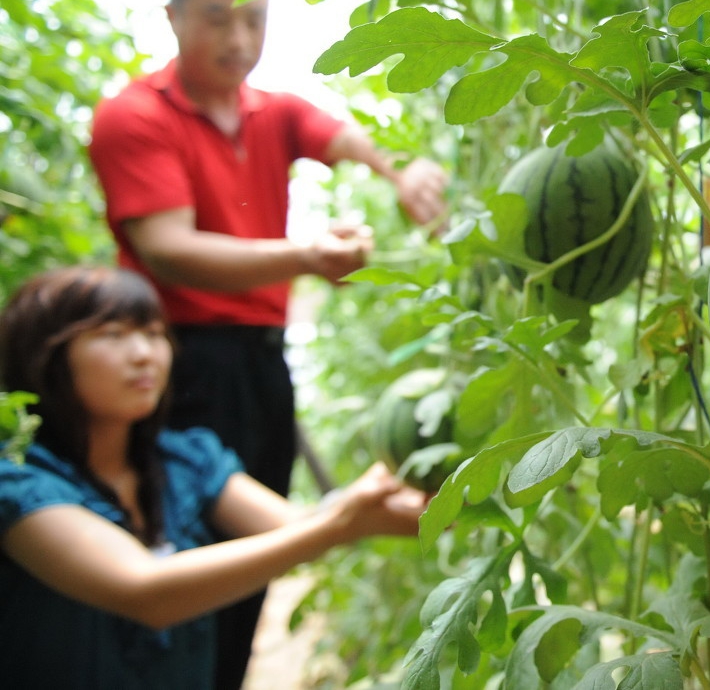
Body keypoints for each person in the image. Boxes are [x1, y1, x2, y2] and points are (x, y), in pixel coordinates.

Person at [86, 0, 447, 688]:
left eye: (256, 20)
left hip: (259, 362)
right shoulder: (134, 116)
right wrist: (307, 256)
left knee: (249, 565)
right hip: (174, 366)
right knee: (185, 554)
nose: (239, 40)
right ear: (173, 16)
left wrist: (399, 170)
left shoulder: (271, 111)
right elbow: (170, 249)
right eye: (218, 19)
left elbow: (340, 137)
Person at [0, 266, 428, 690]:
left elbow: (297, 527)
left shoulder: (184, 460)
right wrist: (343, 522)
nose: (144, 353)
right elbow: (145, 592)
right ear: (45, 356)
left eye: (153, 333)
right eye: (113, 334)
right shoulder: (17, 479)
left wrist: (401, 500)